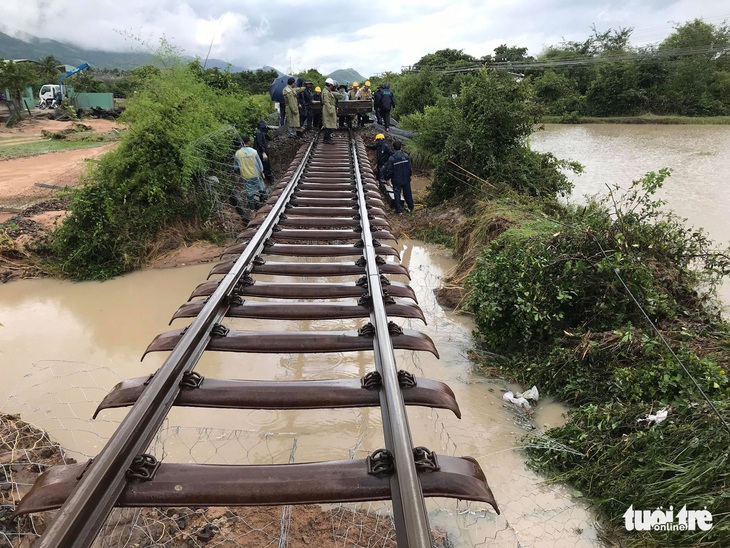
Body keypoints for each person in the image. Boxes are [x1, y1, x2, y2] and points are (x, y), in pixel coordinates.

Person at [233, 135, 267, 212]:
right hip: (255, 174)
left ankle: (252, 209)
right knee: (261, 187)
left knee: (249, 192)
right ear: (248, 142)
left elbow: (236, 167)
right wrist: (262, 172)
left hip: (246, 176)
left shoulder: (238, 153)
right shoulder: (254, 152)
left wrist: (239, 171)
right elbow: (259, 163)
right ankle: (266, 202)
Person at [384, 140, 413, 214]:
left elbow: (390, 170)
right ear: (401, 147)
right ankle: (410, 207)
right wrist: (409, 175)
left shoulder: (392, 158)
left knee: (397, 194)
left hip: (396, 180)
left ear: (393, 148)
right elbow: (409, 168)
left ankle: (399, 210)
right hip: (406, 178)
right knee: (408, 193)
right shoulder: (406, 156)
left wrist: (387, 179)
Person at [321, 78, 340, 144]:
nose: (332, 87)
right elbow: (326, 102)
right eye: (332, 85)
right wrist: (330, 110)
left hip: (328, 109)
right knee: (328, 125)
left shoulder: (327, 91)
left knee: (329, 124)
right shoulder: (326, 92)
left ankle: (327, 138)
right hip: (328, 110)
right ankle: (326, 139)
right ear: (330, 85)